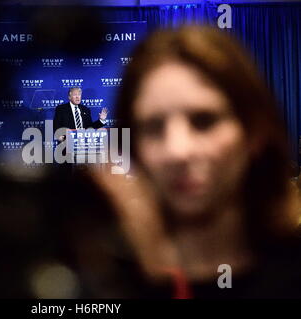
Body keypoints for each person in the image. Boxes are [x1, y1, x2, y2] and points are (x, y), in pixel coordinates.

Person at [85, 25, 301, 298]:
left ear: (254, 132)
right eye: (153, 127)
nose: (178, 151)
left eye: (204, 121)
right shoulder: (98, 285)